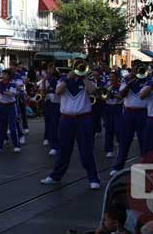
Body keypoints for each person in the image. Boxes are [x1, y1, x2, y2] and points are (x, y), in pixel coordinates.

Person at [41, 61, 100, 189]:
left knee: (86, 150)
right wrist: (68, 78)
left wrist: (83, 78)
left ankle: (93, 178)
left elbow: (93, 91)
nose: (79, 69)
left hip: (83, 119)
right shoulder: (63, 79)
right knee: (63, 149)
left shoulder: (88, 80)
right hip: (66, 119)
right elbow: (58, 91)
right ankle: (55, 176)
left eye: (81, 67)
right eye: (77, 67)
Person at [111, 62, 150, 175]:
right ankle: (118, 167)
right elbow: (120, 95)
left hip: (144, 112)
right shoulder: (127, 80)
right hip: (129, 112)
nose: (137, 70)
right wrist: (129, 82)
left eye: (140, 68)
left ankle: (145, 167)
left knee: (144, 142)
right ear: (132, 69)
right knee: (124, 141)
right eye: (135, 68)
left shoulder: (148, 80)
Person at [0, 69, 22, 153]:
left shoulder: (12, 84)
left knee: (12, 127)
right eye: (3, 74)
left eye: (5, 74)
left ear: (9, 76)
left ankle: (17, 145)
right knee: (1, 127)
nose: (3, 75)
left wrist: (1, 91)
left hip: (11, 106)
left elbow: (11, 94)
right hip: (2, 106)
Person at [42, 63, 61, 156]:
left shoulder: (60, 80)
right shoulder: (47, 79)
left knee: (58, 126)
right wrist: (43, 84)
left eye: (52, 69)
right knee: (50, 123)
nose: (50, 70)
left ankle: (59, 144)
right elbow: (43, 92)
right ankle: (52, 144)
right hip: (51, 103)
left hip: (60, 105)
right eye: (49, 69)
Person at [103, 72, 123, 158]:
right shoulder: (106, 85)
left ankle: (120, 146)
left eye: (112, 77)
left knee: (118, 129)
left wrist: (112, 93)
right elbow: (102, 95)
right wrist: (106, 91)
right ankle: (109, 150)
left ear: (116, 78)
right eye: (110, 77)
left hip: (118, 107)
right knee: (109, 129)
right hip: (108, 107)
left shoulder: (121, 85)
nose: (111, 78)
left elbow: (121, 96)